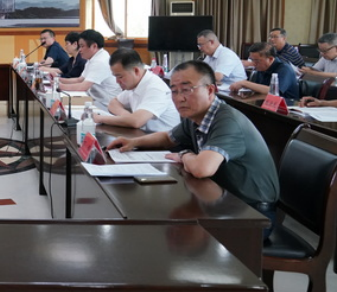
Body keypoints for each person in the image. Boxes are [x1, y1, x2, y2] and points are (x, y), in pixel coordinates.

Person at [107, 60, 279, 237]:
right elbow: (168, 138)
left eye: (187, 89)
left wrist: (184, 155)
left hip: (252, 214)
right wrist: (134, 142)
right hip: (223, 200)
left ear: (210, 90)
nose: (179, 98)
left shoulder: (228, 121)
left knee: (157, 231)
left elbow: (202, 169)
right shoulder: (196, 116)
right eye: (174, 91)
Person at [93, 49, 179, 132]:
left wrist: (100, 119)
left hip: (162, 139)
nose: (117, 81)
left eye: (120, 77)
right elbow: (113, 103)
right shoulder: (134, 83)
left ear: (136, 71)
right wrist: (126, 116)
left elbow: (136, 122)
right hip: (144, 135)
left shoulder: (156, 88)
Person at [54, 29, 121, 110]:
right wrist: (58, 80)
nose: (79, 50)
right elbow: (80, 79)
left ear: (94, 46)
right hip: (94, 99)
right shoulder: (93, 58)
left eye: (82, 46)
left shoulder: (100, 61)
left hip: (105, 105)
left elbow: (83, 86)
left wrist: (60, 86)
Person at [230, 42, 299, 100]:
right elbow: (256, 88)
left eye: (257, 60)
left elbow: (274, 91)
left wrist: (245, 83)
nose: (253, 63)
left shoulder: (284, 69)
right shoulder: (260, 68)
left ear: (270, 59)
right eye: (251, 60)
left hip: (287, 106)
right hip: (264, 102)